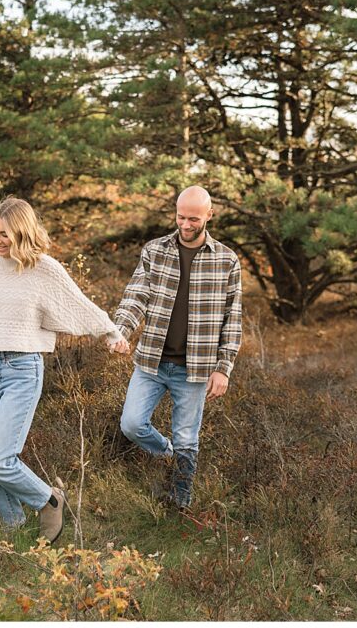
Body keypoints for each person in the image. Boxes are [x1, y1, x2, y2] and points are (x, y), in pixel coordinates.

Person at [0, 196, 126, 544]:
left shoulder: (43, 269)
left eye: (4, 233)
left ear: (22, 232)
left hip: (22, 370)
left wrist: (111, 332)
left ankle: (49, 500)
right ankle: (14, 529)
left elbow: (78, 304)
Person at [113, 185, 242, 511]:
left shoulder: (226, 260)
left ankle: (180, 505)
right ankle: (168, 454)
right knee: (131, 424)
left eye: (194, 219)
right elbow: (135, 295)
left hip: (195, 369)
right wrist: (121, 331)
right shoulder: (155, 251)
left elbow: (233, 319)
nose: (186, 224)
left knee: (187, 438)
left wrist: (222, 368)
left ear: (209, 215)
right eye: (181, 217)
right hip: (152, 362)